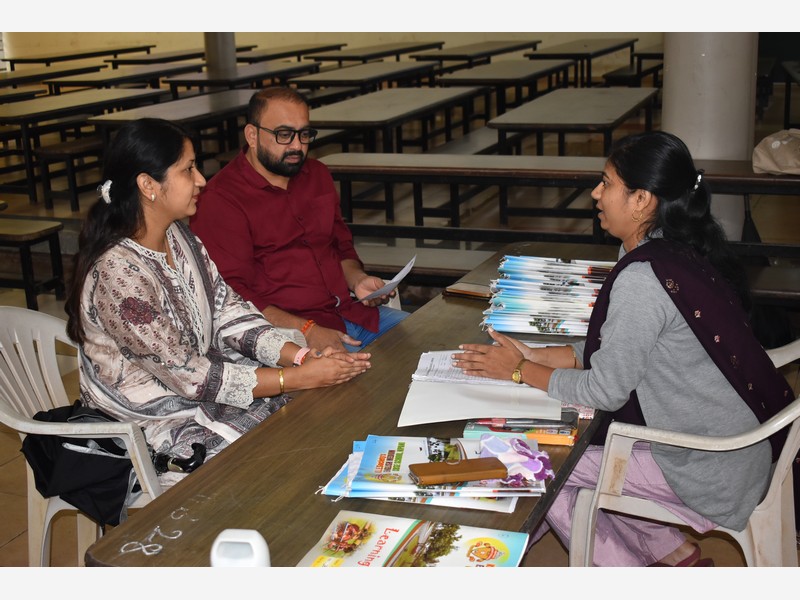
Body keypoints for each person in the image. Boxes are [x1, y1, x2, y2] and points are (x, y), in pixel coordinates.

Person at [452, 131, 794, 567]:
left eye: (607, 183)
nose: (596, 193)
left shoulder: (642, 278)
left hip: (707, 466)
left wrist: (519, 370)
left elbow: (605, 389)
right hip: (727, 444)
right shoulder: (672, 245)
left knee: (537, 464)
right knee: (579, 449)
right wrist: (540, 355)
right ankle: (676, 554)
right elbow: (620, 346)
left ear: (641, 200)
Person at [64, 118, 371, 484]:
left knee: (312, 411)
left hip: (195, 380)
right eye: (188, 169)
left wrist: (302, 357)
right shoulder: (118, 275)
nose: (201, 181)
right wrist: (296, 378)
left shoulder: (179, 235)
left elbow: (228, 310)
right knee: (278, 449)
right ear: (148, 185)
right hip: (146, 416)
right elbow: (189, 377)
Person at [189, 86, 409, 354]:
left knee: (428, 344)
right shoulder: (221, 200)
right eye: (284, 134)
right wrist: (306, 329)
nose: (296, 145)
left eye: (304, 134)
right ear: (252, 135)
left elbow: (340, 245)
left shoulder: (316, 175)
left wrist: (357, 280)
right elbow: (233, 296)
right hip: (291, 337)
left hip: (352, 316)